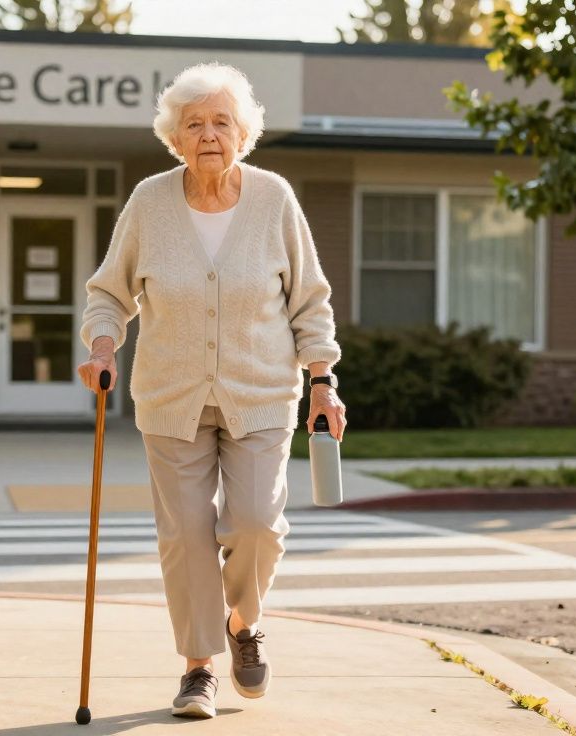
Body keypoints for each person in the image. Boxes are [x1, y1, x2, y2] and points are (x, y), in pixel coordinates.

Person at [76, 62, 346, 719]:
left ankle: (242, 623)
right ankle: (198, 669)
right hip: (170, 397)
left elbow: (308, 301)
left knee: (255, 523)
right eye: (193, 124)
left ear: (243, 132)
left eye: (221, 122)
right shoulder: (149, 202)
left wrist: (323, 382)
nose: (208, 134)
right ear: (174, 136)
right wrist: (103, 345)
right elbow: (109, 293)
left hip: (261, 393)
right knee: (186, 537)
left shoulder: (274, 199)